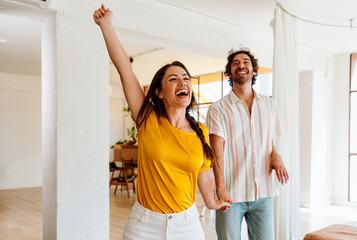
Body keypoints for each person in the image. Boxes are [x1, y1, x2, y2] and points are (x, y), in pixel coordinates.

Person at [93, 4, 230, 240]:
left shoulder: (201, 131)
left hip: (187, 224)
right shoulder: (147, 120)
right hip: (144, 224)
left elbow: (203, 173)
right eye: (174, 79)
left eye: (186, 78)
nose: (183, 82)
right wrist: (106, 25)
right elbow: (125, 70)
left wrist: (212, 202)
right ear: (159, 91)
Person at [205, 49, 289, 240]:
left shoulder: (270, 104)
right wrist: (220, 189)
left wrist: (275, 153)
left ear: (254, 71)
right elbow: (216, 155)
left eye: (245, 62)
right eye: (235, 63)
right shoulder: (218, 108)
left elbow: (269, 139)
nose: (241, 65)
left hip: (263, 193)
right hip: (231, 194)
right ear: (229, 73)